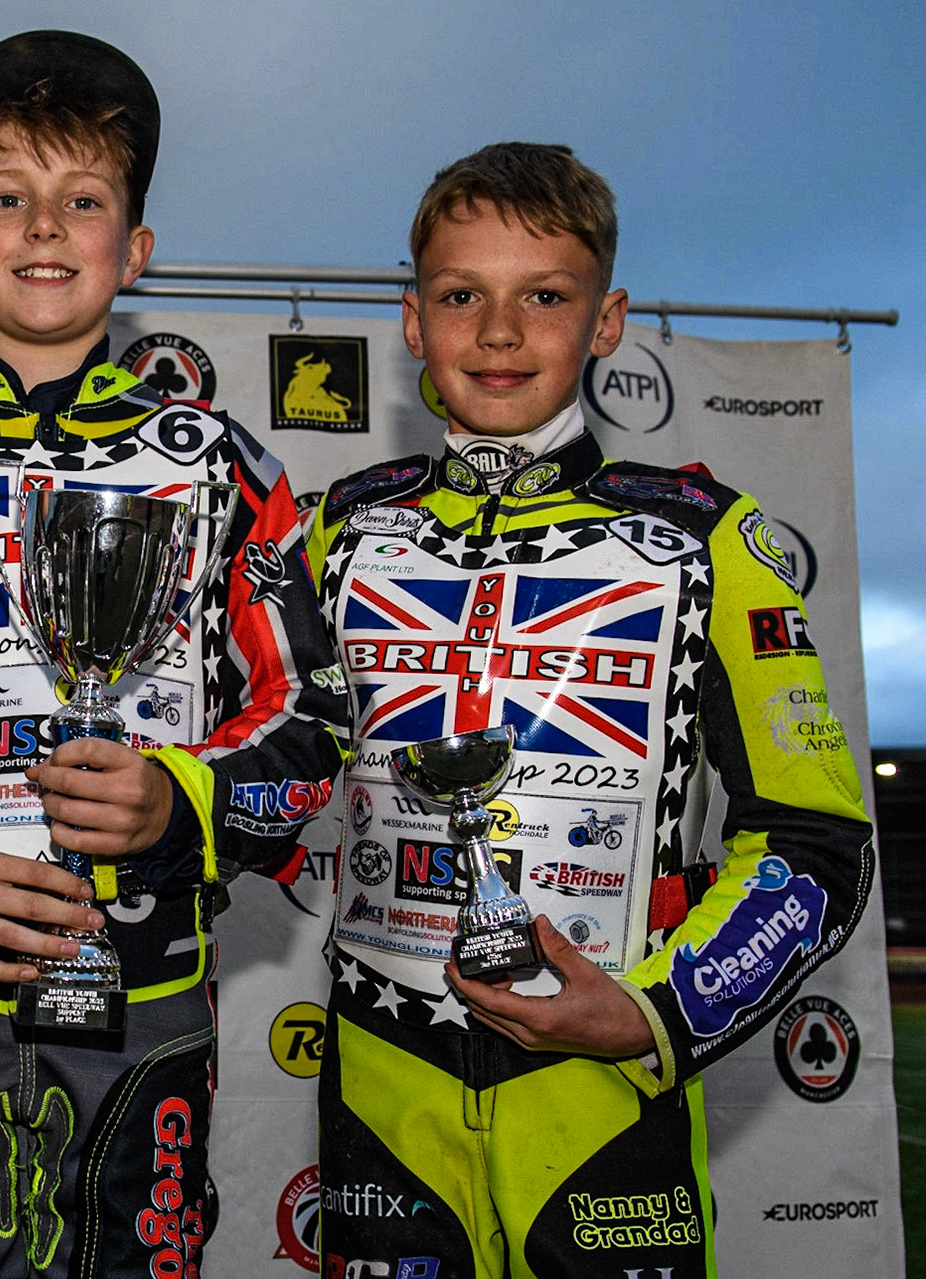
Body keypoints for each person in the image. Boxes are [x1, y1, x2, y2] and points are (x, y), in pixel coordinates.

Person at [0, 31, 345, 1279]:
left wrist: (181, 800)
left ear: (134, 248)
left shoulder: (220, 465)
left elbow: (315, 721)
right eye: (7, 199)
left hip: (142, 1012)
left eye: (83, 199)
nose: (45, 228)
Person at [305, 141, 874, 1279]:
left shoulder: (708, 541)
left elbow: (819, 845)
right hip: (381, 1091)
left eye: (545, 297)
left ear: (606, 321)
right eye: (462, 295)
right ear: (413, 321)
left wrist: (659, 1016)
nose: (500, 332)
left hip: (606, 1106)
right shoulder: (332, 536)